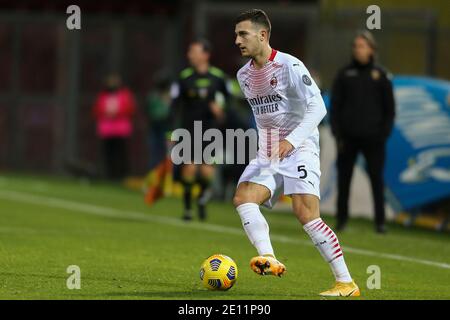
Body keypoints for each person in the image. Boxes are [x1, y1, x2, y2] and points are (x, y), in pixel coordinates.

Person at [233, 9, 360, 297]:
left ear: (262, 35)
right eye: (236, 35)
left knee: (306, 214)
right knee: (243, 197)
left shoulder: (290, 66)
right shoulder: (243, 75)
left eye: (243, 34)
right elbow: (265, 115)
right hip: (269, 151)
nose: (237, 40)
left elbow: (318, 108)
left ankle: (346, 283)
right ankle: (268, 256)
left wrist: (290, 140)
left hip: (299, 148)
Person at [330, 30, 395, 234]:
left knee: (377, 179)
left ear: (371, 49)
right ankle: (341, 220)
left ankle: (380, 222)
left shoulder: (381, 76)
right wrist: (338, 133)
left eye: (362, 46)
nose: (358, 50)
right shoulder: (344, 74)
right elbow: (335, 107)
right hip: (347, 138)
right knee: (344, 179)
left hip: (374, 139)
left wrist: (383, 133)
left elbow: (389, 109)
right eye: (355, 46)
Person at [170, 39, 229, 221]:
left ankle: (202, 199)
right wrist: (172, 131)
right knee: (189, 169)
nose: (190, 55)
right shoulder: (184, 77)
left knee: (206, 172)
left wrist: (221, 109)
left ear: (205, 55)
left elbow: (230, 100)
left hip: (212, 131)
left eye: (194, 51)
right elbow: (175, 105)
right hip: (189, 131)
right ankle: (188, 209)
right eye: (189, 51)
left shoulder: (219, 78)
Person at [92, 73, 136, 181]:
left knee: (121, 153)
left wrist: (117, 113)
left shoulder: (124, 94)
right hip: (107, 129)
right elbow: (96, 110)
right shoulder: (103, 95)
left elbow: (130, 109)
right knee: (108, 153)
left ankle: (122, 175)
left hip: (120, 129)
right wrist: (105, 113)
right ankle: (110, 175)